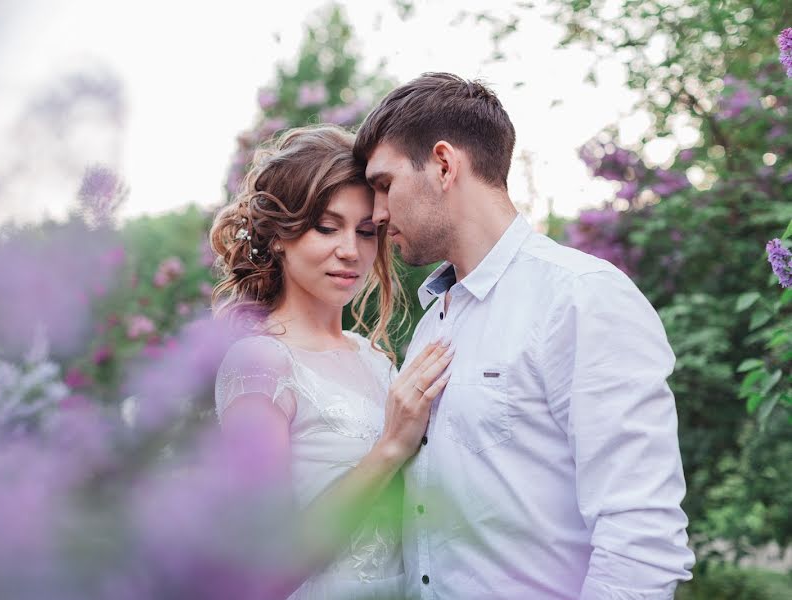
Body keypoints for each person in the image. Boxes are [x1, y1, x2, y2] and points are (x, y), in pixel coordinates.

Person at [352, 73, 696, 599]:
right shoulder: (429, 326)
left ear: (444, 165)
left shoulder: (582, 299)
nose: (376, 215)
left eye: (383, 186)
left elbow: (641, 538)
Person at [209, 124, 453, 600]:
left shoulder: (373, 357)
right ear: (279, 236)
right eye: (327, 227)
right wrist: (388, 449)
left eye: (367, 232)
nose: (351, 251)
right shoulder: (258, 364)